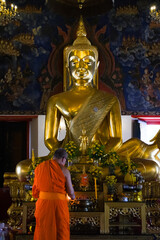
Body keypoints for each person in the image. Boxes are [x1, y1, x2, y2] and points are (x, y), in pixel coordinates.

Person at [44, 17, 160, 181]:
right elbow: (50, 139)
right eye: (75, 62)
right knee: (22, 169)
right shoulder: (56, 100)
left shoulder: (109, 100)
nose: (81, 68)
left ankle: (93, 173)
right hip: (68, 161)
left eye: (87, 62)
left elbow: (116, 139)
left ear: (96, 66)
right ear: (67, 67)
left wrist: (99, 157)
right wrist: (64, 157)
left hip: (103, 160)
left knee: (152, 168)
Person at [32, 148, 75, 240]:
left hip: (43, 204)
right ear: (63, 159)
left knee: (43, 229)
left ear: (54, 157)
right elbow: (71, 192)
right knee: (61, 230)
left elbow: (35, 189)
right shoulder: (64, 170)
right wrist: (73, 197)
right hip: (59, 205)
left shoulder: (40, 167)